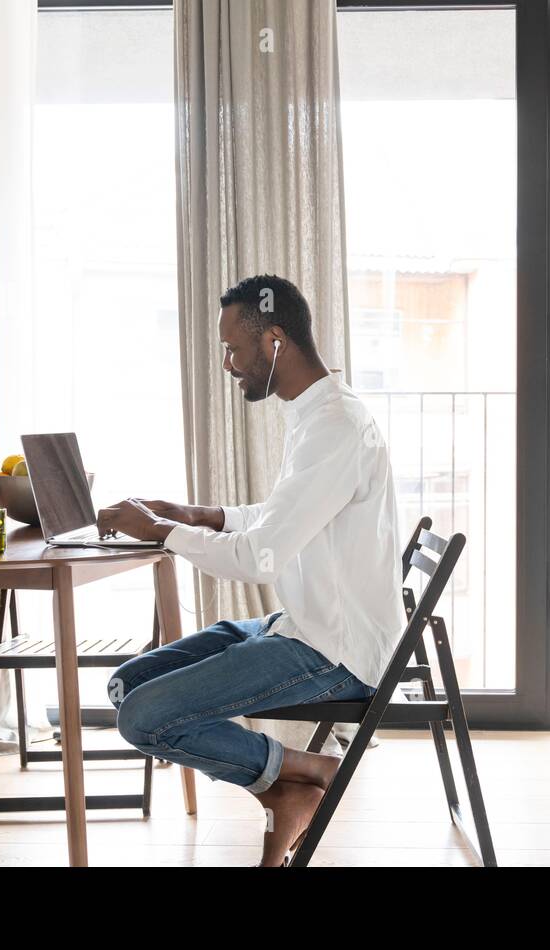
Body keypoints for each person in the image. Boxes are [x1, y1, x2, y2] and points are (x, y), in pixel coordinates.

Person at [96, 274, 405, 866]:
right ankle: (285, 786)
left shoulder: (335, 425)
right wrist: (197, 514)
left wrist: (162, 532)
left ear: (276, 343)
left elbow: (260, 554)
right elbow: (279, 518)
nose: (229, 364)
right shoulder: (314, 415)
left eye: (234, 349)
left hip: (332, 651)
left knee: (142, 718)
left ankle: (310, 772)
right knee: (126, 687)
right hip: (299, 626)